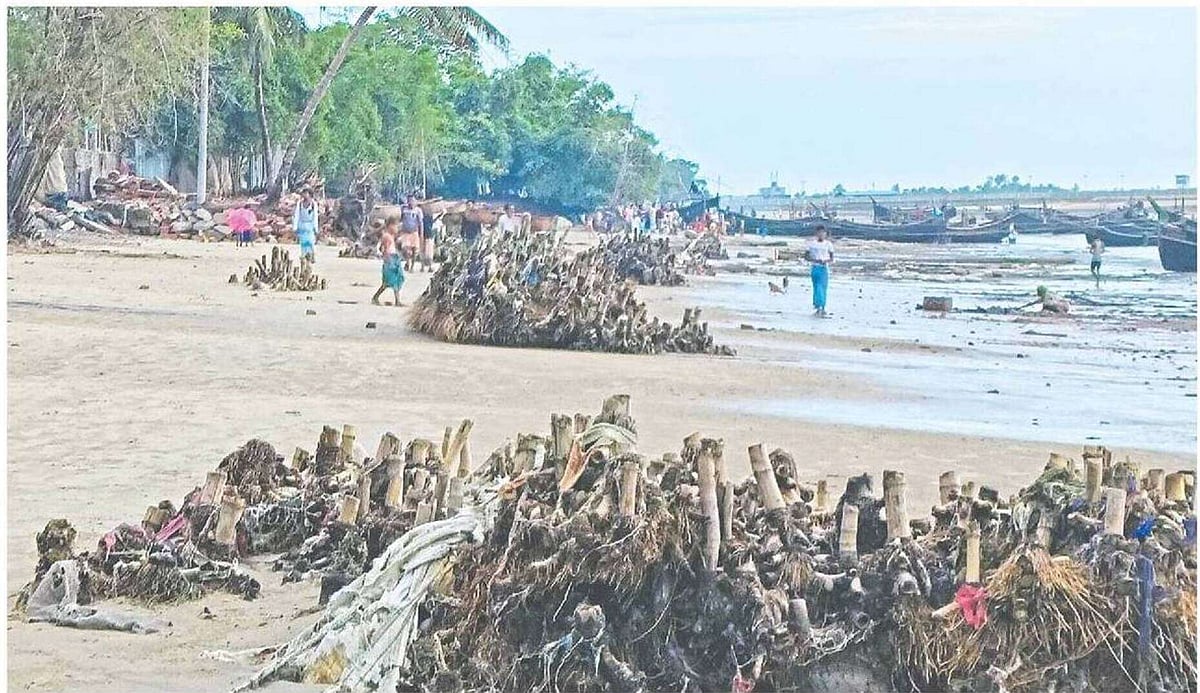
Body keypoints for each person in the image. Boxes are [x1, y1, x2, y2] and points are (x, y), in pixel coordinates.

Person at [371, 217, 404, 306]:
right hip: (390, 259)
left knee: (396, 280)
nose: (396, 228)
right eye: (395, 226)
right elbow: (383, 249)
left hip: (394, 258)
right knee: (388, 282)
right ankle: (376, 297)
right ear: (390, 226)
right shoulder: (386, 236)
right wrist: (387, 259)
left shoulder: (391, 236)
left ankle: (397, 300)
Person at [806, 225, 834, 317]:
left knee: (823, 288)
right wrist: (814, 260)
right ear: (816, 233)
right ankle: (817, 306)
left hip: (824, 268)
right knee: (816, 287)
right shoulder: (811, 244)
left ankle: (822, 306)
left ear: (825, 234)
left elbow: (831, 258)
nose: (821, 234)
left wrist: (825, 261)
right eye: (820, 233)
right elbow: (806, 256)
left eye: (823, 233)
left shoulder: (828, 244)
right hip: (815, 267)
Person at [293, 189, 319, 263]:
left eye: (306, 193)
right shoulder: (300, 203)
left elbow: (315, 217)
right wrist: (295, 227)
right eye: (303, 193)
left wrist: (315, 228)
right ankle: (303, 257)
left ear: (309, 194)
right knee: (303, 243)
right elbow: (297, 215)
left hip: (310, 225)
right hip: (302, 225)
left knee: (311, 242)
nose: (304, 195)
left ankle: (313, 256)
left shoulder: (313, 204)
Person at [398, 195, 423, 271]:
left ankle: (412, 266)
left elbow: (420, 222)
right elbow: (400, 219)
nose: (411, 203)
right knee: (405, 249)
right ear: (407, 202)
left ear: (415, 202)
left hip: (414, 232)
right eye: (409, 201)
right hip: (405, 232)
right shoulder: (404, 209)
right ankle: (408, 262)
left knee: (415, 251)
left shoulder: (418, 210)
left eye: (412, 201)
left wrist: (421, 233)